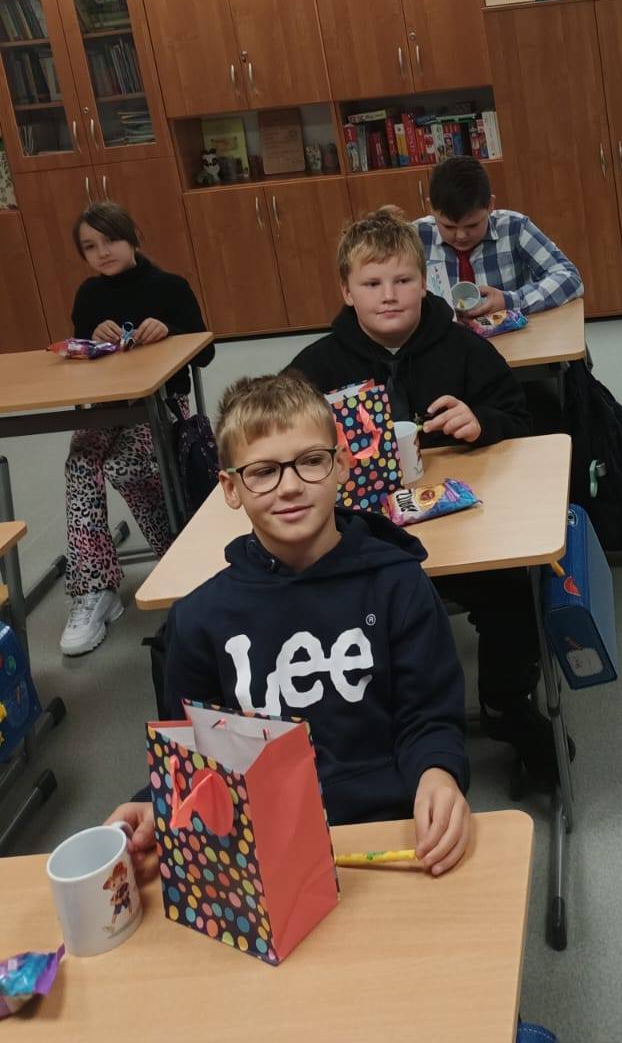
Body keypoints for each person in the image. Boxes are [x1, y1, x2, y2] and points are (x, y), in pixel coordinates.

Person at [108, 371, 470, 882]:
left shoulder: (399, 585)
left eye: (311, 461)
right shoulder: (199, 619)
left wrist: (438, 774)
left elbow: (429, 718)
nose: (291, 485)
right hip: (260, 846)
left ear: (341, 464)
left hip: (388, 830)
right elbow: (194, 756)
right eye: (263, 472)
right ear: (231, 488)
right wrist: (155, 804)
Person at [288, 206, 569, 788]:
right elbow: (279, 443)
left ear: (426, 282)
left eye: (403, 280)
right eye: (372, 284)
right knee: (332, 608)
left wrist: (482, 420)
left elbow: (518, 418)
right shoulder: (315, 367)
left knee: (514, 593)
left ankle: (506, 704)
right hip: (361, 543)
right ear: (347, 291)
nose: (389, 295)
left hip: (464, 534)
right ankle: (380, 724)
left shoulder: (462, 348)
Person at [60, 202, 212, 658]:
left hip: (161, 404)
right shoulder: (89, 294)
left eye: (110, 240)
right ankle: (95, 588)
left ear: (133, 238)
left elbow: (204, 352)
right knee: (80, 462)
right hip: (108, 407)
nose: (102, 252)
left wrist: (170, 330)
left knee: (128, 463)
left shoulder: (169, 286)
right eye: (90, 246)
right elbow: (78, 351)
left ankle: (175, 561)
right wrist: (91, 338)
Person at [415, 155, 582, 320]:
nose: (461, 236)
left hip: (512, 333)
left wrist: (509, 301)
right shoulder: (415, 236)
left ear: (490, 205)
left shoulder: (513, 227)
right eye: (448, 227)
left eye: (472, 225)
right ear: (430, 208)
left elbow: (569, 277)